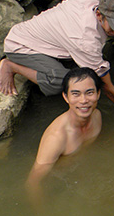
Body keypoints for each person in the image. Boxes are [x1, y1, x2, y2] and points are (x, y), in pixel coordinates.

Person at [25, 67, 103, 207]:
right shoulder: (57, 138)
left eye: (89, 93)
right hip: (56, 183)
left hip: (79, 173)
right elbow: (33, 183)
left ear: (98, 94)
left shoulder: (97, 116)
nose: (84, 100)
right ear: (66, 97)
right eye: (76, 94)